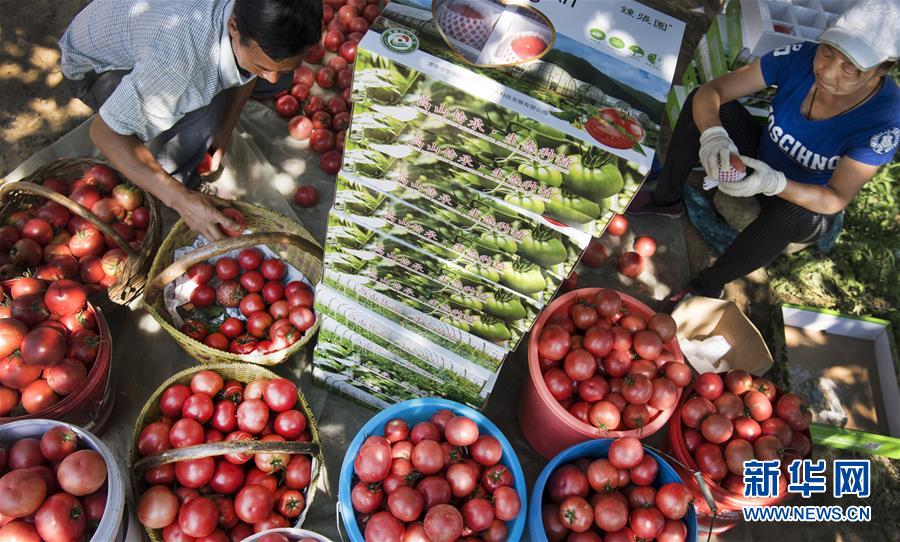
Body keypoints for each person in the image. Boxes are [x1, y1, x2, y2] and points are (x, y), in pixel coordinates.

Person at [629, 0, 899, 309]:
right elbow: (711, 92)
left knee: (796, 213)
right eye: (828, 51)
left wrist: (772, 183)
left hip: (800, 197)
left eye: (850, 68)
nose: (827, 70)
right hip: (760, 156)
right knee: (705, 106)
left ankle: (708, 284)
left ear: (883, 68)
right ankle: (667, 199)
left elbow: (835, 198)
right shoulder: (799, 58)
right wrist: (714, 136)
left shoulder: (884, 122)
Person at [59, 0, 323, 241]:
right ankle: (168, 177)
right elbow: (104, 132)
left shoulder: (253, 19)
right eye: (262, 66)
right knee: (200, 120)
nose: (271, 77)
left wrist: (225, 130)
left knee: (273, 79)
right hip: (94, 69)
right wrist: (181, 200)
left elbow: (257, 67)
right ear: (233, 26)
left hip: (130, 24)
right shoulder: (178, 67)